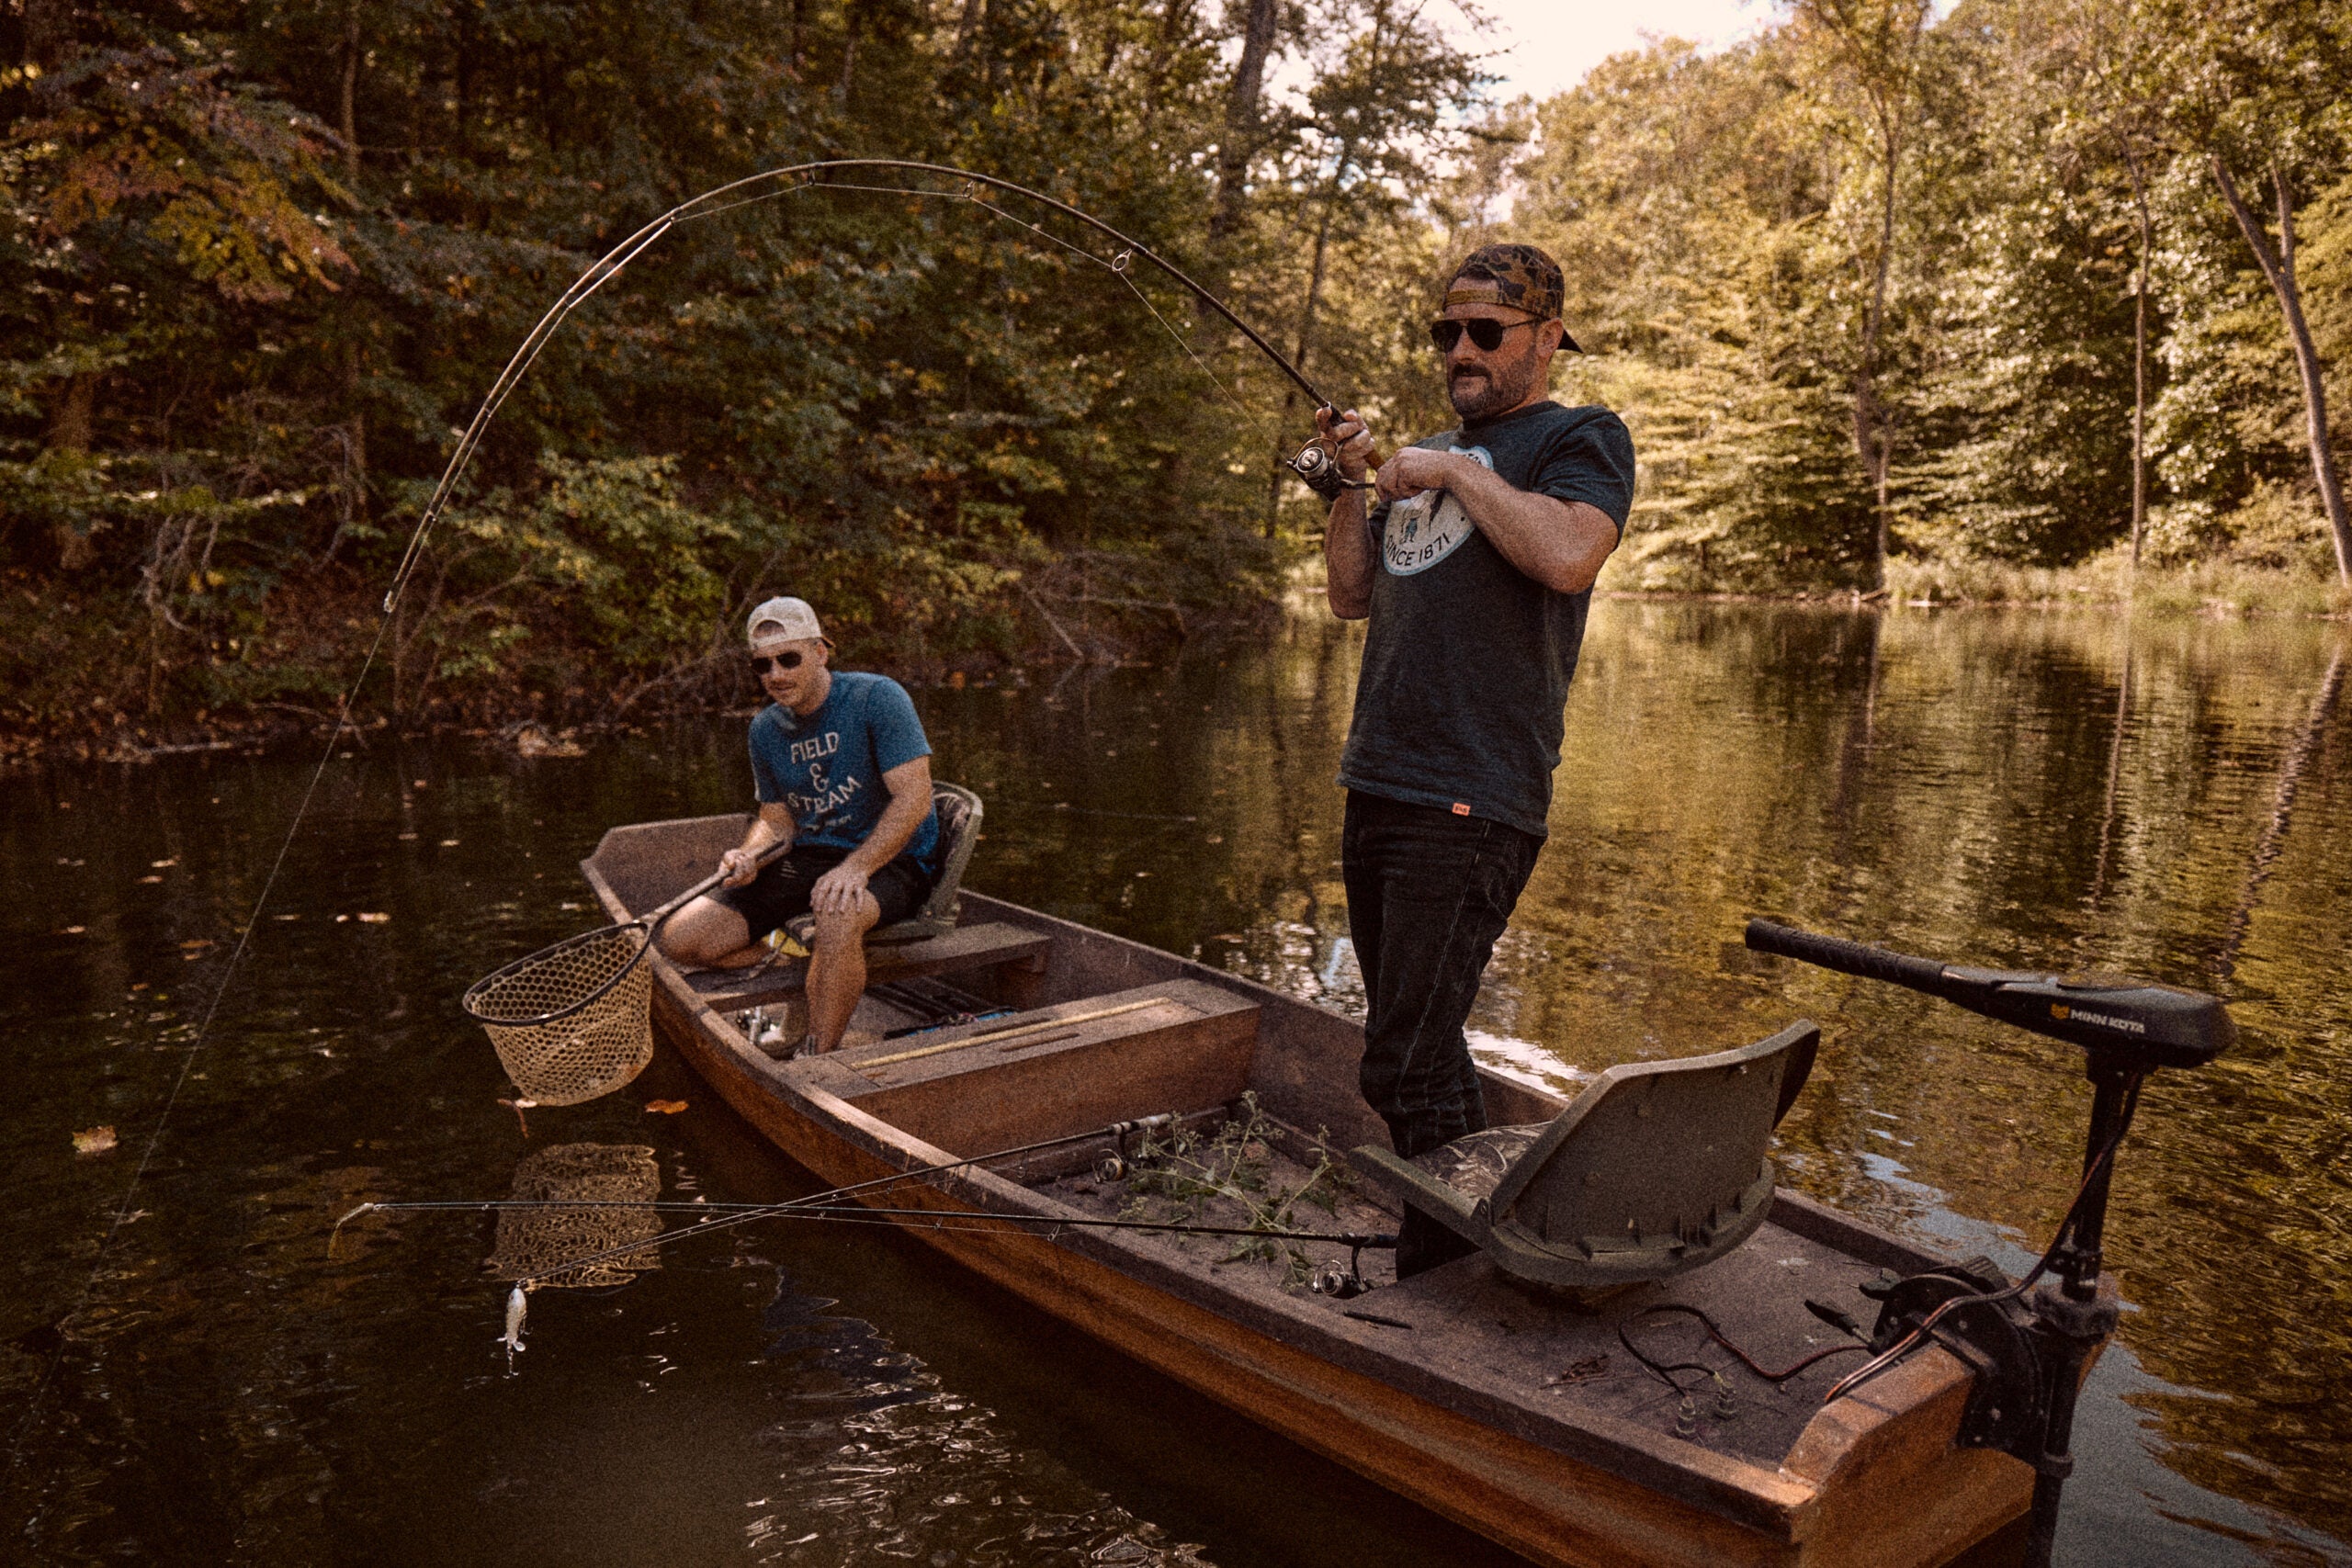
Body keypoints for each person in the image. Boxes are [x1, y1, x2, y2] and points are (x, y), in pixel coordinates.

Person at [1307, 243, 1635, 1277]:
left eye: (1485, 332)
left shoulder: (1579, 437)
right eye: (1446, 332)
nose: (1459, 350)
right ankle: (1458, 1245)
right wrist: (1348, 486)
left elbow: (1570, 555)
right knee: (1419, 1038)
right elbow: (1352, 595)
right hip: (1379, 779)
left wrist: (1451, 470)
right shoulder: (1427, 455)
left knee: (1403, 1056)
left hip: (1471, 797)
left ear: (1545, 338)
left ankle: (1447, 1258)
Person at [659, 596, 941, 1056]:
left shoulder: (877, 697)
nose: (776, 674)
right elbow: (776, 820)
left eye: (788, 658)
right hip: (812, 858)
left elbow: (914, 799)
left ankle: (819, 1056)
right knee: (681, 940)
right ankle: (791, 956)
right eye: (763, 665)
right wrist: (750, 854)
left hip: (895, 858)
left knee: (838, 910)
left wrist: (856, 868)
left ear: (820, 652)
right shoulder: (764, 729)